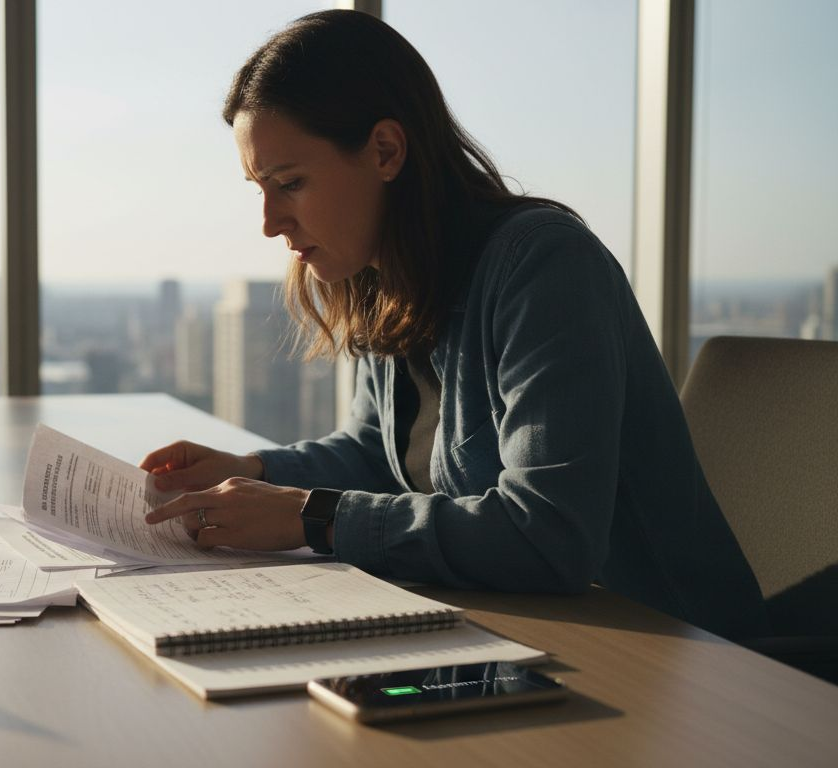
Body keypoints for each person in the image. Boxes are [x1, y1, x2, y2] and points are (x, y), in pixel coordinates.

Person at [140, 9, 768, 641]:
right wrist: (248, 475)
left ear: (385, 150)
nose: (271, 222)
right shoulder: (383, 275)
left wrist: (311, 517)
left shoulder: (546, 267)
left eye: (292, 183)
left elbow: (549, 535)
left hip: (677, 654)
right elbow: (375, 456)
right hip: (524, 634)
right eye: (261, 189)